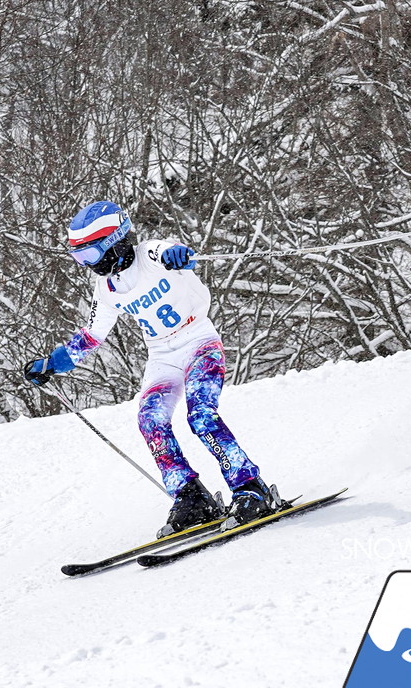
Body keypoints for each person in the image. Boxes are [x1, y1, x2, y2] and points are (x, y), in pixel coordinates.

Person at [23, 199, 281, 535]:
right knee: (151, 420)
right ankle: (191, 497)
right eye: (79, 258)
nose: (87, 265)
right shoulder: (107, 287)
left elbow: (170, 250)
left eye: (89, 255)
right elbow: (91, 335)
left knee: (200, 415)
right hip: (162, 356)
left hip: (199, 342)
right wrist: (52, 364)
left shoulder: (151, 254)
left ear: (113, 243)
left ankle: (250, 487)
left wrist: (178, 255)